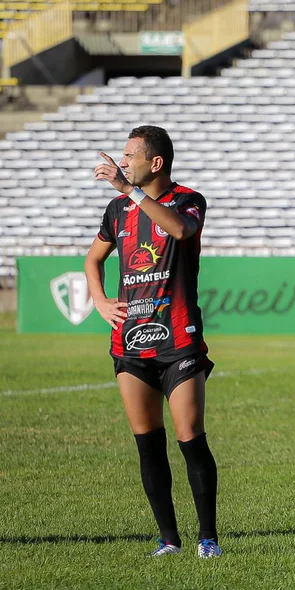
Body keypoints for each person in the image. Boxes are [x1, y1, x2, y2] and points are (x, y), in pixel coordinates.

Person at [84, 125, 221, 558]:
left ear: (155, 163)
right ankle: (169, 540)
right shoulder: (117, 210)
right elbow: (92, 259)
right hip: (130, 342)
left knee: (190, 438)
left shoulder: (187, 200)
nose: (122, 162)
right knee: (148, 442)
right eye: (122, 158)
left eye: (130, 156)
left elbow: (180, 231)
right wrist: (100, 301)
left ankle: (207, 538)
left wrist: (129, 189)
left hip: (178, 339)